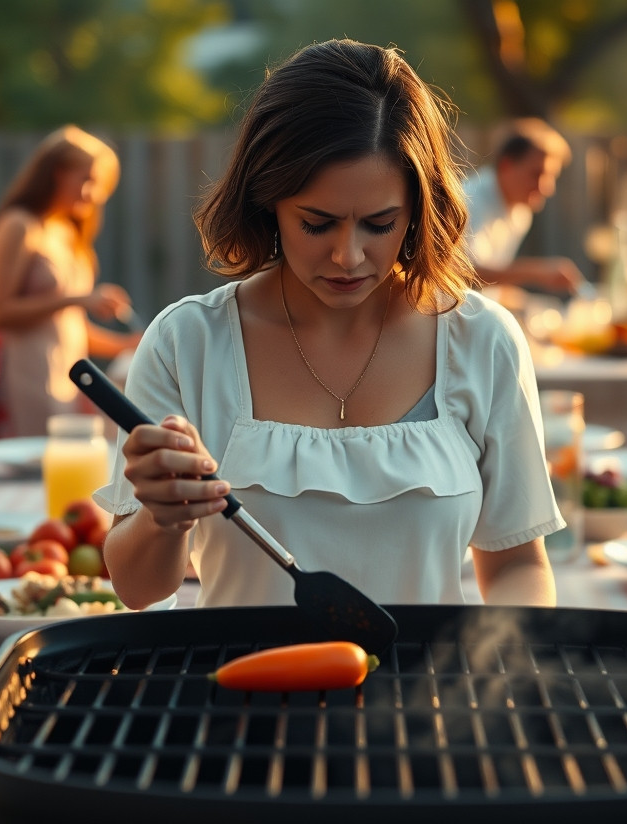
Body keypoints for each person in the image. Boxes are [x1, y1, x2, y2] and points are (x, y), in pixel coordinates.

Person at [95, 40, 561, 611]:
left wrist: (508, 671)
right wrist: (163, 519)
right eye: (317, 224)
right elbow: (138, 589)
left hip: (426, 695)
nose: (349, 256)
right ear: (266, 203)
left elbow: (516, 564)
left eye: (379, 223)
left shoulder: (482, 340)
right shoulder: (185, 344)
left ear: (418, 211)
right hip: (242, 694)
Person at [0, 125, 142, 447]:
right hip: (24, 374)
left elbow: (65, 325)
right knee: (37, 470)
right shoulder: (18, 226)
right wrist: (79, 298)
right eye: (87, 180)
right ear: (57, 173)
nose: (94, 194)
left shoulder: (65, 232)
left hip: (64, 373)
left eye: (99, 185)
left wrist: (125, 344)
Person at [462, 118, 585, 294]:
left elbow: (490, 285)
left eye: (552, 177)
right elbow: (465, 275)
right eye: (537, 174)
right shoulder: (469, 200)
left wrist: (525, 302)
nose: (547, 188)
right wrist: (539, 272)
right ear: (506, 165)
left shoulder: (520, 212)